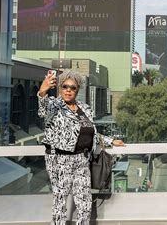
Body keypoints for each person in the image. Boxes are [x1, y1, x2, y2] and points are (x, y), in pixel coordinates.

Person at [38, 70, 124, 224]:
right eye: (65, 86)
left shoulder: (84, 108)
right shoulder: (54, 106)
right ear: (60, 88)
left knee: (84, 204)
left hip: (82, 161)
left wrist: (111, 141)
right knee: (60, 203)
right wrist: (43, 91)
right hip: (59, 160)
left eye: (72, 87)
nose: (68, 90)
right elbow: (42, 110)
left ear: (77, 90)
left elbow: (91, 133)